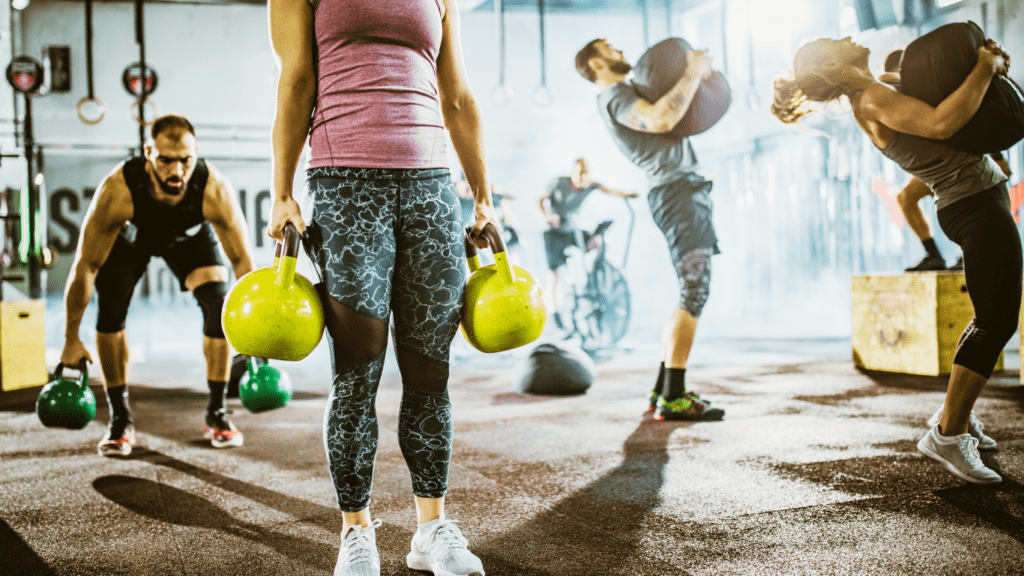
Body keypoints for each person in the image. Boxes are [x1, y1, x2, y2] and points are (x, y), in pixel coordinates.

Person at [268, 0, 498, 574]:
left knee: (429, 368)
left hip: (430, 188)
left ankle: (431, 528)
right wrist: (282, 190)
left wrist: (483, 195)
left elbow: (459, 96)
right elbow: (296, 80)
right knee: (357, 368)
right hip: (345, 185)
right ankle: (356, 531)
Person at [773, 36, 1018, 484]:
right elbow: (943, 123)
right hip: (972, 204)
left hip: (979, 198)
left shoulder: (879, 85)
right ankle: (948, 433)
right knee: (997, 321)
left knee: (991, 316)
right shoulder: (871, 99)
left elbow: (946, 95)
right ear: (833, 62)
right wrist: (985, 65)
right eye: (836, 41)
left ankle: (955, 413)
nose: (848, 37)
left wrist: (979, 65)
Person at [60, 114, 255, 457]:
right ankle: (120, 420)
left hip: (189, 240)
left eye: (186, 160)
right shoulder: (118, 189)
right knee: (110, 312)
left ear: (197, 154)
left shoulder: (213, 188)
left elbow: (242, 261)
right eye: (166, 160)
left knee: (218, 304)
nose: (177, 171)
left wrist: (256, 325)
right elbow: (85, 266)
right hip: (131, 241)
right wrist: (70, 339)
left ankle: (217, 413)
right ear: (149, 152)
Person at [575, 38, 726, 422]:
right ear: (595, 63)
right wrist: (692, 70)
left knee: (690, 292)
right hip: (677, 193)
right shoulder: (615, 97)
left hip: (680, 192)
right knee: (694, 291)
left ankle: (664, 391)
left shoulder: (621, 94)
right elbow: (661, 119)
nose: (622, 51)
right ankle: (674, 396)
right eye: (611, 48)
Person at [880, 48, 1014, 272]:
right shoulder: (906, 99)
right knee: (906, 197)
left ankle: (969, 253)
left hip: (975, 163)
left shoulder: (934, 86)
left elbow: (969, 118)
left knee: (964, 202)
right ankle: (934, 255)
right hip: (945, 167)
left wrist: (997, 157)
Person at [538, 157, 637, 331]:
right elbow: (540, 200)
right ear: (573, 172)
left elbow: (609, 190)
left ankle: (596, 274)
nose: (583, 177)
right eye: (580, 173)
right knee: (554, 276)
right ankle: (556, 316)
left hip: (572, 231)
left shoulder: (591, 185)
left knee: (600, 240)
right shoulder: (558, 183)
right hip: (554, 233)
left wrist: (627, 195)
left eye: (586, 173)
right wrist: (547, 216)